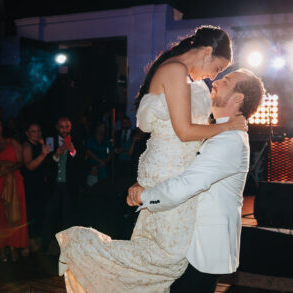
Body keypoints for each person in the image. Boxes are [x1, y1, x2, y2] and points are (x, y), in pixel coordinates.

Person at [56, 25, 247, 292]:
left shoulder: (185, 77)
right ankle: (82, 248)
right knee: (167, 257)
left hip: (174, 165)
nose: (213, 77)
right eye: (217, 69)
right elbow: (184, 131)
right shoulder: (175, 70)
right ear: (206, 52)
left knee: (160, 253)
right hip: (168, 166)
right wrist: (227, 126)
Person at [128, 69, 265, 292]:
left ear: (238, 98)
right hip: (184, 242)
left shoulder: (230, 140)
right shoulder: (215, 131)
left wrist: (143, 196)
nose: (217, 81)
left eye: (227, 81)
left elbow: (188, 184)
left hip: (202, 247)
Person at [0, 117, 29, 262]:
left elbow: (21, 162)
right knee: (0, 217)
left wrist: (7, 167)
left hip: (14, 181)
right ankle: (3, 248)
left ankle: (14, 247)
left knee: (15, 215)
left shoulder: (12, 142)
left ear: (2, 127)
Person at [42, 117, 80, 253]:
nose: (64, 130)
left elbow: (81, 164)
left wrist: (73, 151)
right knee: (50, 213)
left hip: (69, 186)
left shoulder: (78, 140)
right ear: (57, 127)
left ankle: (67, 247)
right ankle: (48, 245)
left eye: (67, 127)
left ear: (71, 127)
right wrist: (56, 156)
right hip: (54, 186)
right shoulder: (50, 141)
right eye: (62, 127)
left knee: (68, 216)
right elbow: (46, 165)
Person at [22, 123, 52, 251]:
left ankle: (37, 239)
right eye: (33, 131)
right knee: (31, 213)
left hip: (40, 183)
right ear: (27, 133)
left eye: (38, 130)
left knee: (40, 212)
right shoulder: (27, 146)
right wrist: (43, 154)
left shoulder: (39, 144)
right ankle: (29, 241)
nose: (37, 133)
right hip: (30, 184)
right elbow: (29, 166)